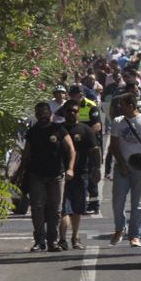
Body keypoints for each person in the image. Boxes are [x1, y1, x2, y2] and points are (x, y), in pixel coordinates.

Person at [19, 100, 73, 251]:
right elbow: (26, 154)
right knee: (37, 207)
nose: (42, 116)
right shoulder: (33, 132)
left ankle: (53, 241)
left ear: (50, 113)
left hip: (56, 175)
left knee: (55, 209)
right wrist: (20, 174)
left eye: (44, 113)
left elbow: (71, 150)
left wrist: (70, 168)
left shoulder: (59, 129)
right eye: (38, 114)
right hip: (36, 175)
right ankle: (39, 241)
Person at [108, 94, 141, 247]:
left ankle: (135, 235)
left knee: (138, 203)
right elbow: (114, 146)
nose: (119, 108)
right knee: (118, 201)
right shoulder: (118, 122)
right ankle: (119, 228)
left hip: (140, 166)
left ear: (131, 105)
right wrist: (121, 163)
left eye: (122, 105)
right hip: (122, 166)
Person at [58, 100, 101, 249]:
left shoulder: (85, 130)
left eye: (74, 111)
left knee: (77, 209)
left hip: (81, 174)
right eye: (68, 110)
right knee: (63, 208)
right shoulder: (58, 130)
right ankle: (62, 238)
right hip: (61, 175)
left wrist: (97, 168)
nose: (71, 113)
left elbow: (94, 150)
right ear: (64, 112)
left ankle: (75, 237)